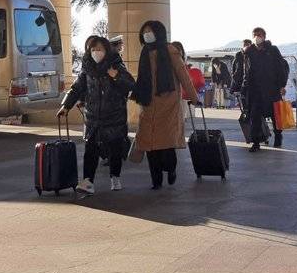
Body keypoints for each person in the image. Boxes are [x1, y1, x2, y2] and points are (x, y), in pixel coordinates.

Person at [57, 36, 135, 195]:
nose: (96, 52)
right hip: (92, 118)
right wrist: (66, 106)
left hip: (114, 117)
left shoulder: (116, 65)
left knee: (115, 150)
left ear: (107, 50)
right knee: (90, 150)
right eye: (93, 49)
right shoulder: (87, 68)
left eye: (99, 49)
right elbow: (76, 88)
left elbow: (130, 85)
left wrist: (116, 76)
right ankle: (88, 182)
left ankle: (115, 177)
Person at [132, 21, 199, 189]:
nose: (147, 34)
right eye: (144, 31)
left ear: (158, 32)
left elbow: (183, 75)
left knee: (166, 146)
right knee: (150, 146)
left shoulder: (170, 50)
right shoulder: (145, 52)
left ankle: (171, 169)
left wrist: (193, 97)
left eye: (150, 31)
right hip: (148, 104)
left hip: (168, 105)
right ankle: (156, 181)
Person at [237, 27, 289, 151]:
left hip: (272, 88)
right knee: (255, 116)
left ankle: (278, 136)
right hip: (255, 90)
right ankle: (256, 142)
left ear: (264, 36)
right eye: (254, 35)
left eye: (259, 35)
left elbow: (281, 68)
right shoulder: (249, 52)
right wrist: (244, 88)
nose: (257, 37)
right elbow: (246, 71)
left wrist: (282, 85)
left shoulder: (273, 50)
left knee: (275, 114)